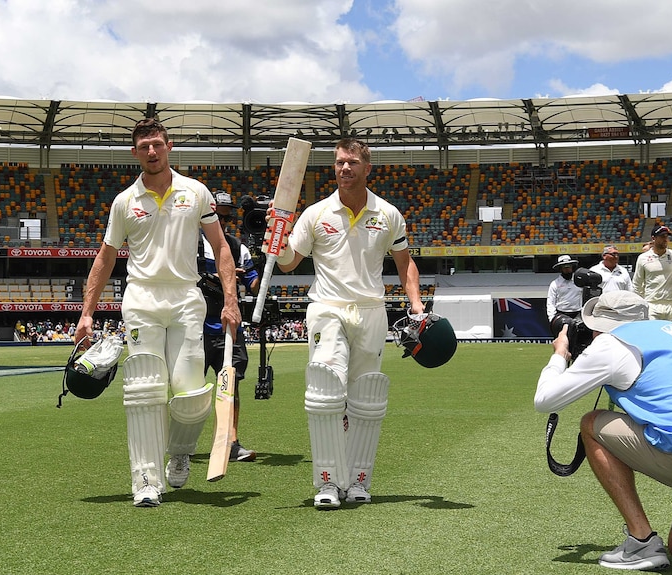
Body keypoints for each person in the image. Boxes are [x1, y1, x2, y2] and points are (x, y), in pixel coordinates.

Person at [75, 119, 241, 507]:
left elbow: (220, 247)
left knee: (190, 390)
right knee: (144, 392)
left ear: (169, 147)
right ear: (135, 153)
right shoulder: (124, 201)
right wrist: (87, 312)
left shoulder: (196, 192)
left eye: (157, 144)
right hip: (142, 299)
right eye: (144, 146)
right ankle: (146, 481)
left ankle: (180, 452)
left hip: (186, 297)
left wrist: (230, 300)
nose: (152, 151)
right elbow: (106, 256)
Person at [276, 137, 425, 509]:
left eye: (352, 162)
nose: (345, 168)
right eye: (340, 162)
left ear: (367, 167)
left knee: (364, 400)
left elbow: (405, 262)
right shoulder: (315, 213)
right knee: (326, 390)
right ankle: (326, 482)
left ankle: (358, 481)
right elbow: (289, 263)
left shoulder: (388, 214)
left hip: (372, 310)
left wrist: (417, 306)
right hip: (326, 307)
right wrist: (277, 241)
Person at [534, 291, 672, 570]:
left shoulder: (611, 344)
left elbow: (545, 400)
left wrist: (560, 355)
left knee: (592, 424)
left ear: (601, 326)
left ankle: (642, 541)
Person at [199, 191, 259, 462]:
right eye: (217, 216)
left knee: (231, 387)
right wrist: (219, 276)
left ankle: (231, 442)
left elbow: (255, 284)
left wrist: (271, 261)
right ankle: (185, 442)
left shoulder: (238, 248)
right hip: (194, 328)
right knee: (189, 388)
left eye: (226, 217)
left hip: (229, 328)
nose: (221, 222)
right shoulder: (190, 245)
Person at [632, 225, 672, 321]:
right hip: (651, 303)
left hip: (671, 304)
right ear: (653, 238)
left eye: (667, 236)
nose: (666, 239)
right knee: (652, 334)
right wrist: (640, 304)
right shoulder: (643, 258)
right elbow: (637, 284)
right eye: (662, 236)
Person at [546, 254, 583, 336]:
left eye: (569, 266)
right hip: (562, 315)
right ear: (560, 268)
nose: (567, 269)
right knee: (563, 340)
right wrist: (552, 318)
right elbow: (550, 302)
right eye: (564, 267)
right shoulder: (555, 284)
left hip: (578, 315)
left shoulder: (580, 281)